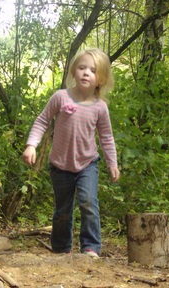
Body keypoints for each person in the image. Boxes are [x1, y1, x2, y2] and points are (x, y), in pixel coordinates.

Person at [22, 48, 120, 258]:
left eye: (92, 70)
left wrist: (112, 163)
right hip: (60, 166)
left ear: (100, 78)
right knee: (63, 210)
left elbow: (106, 138)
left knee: (88, 202)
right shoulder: (60, 97)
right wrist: (32, 144)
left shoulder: (100, 107)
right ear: (74, 71)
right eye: (82, 67)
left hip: (87, 163)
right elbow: (42, 120)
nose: (86, 73)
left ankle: (91, 247)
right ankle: (61, 249)